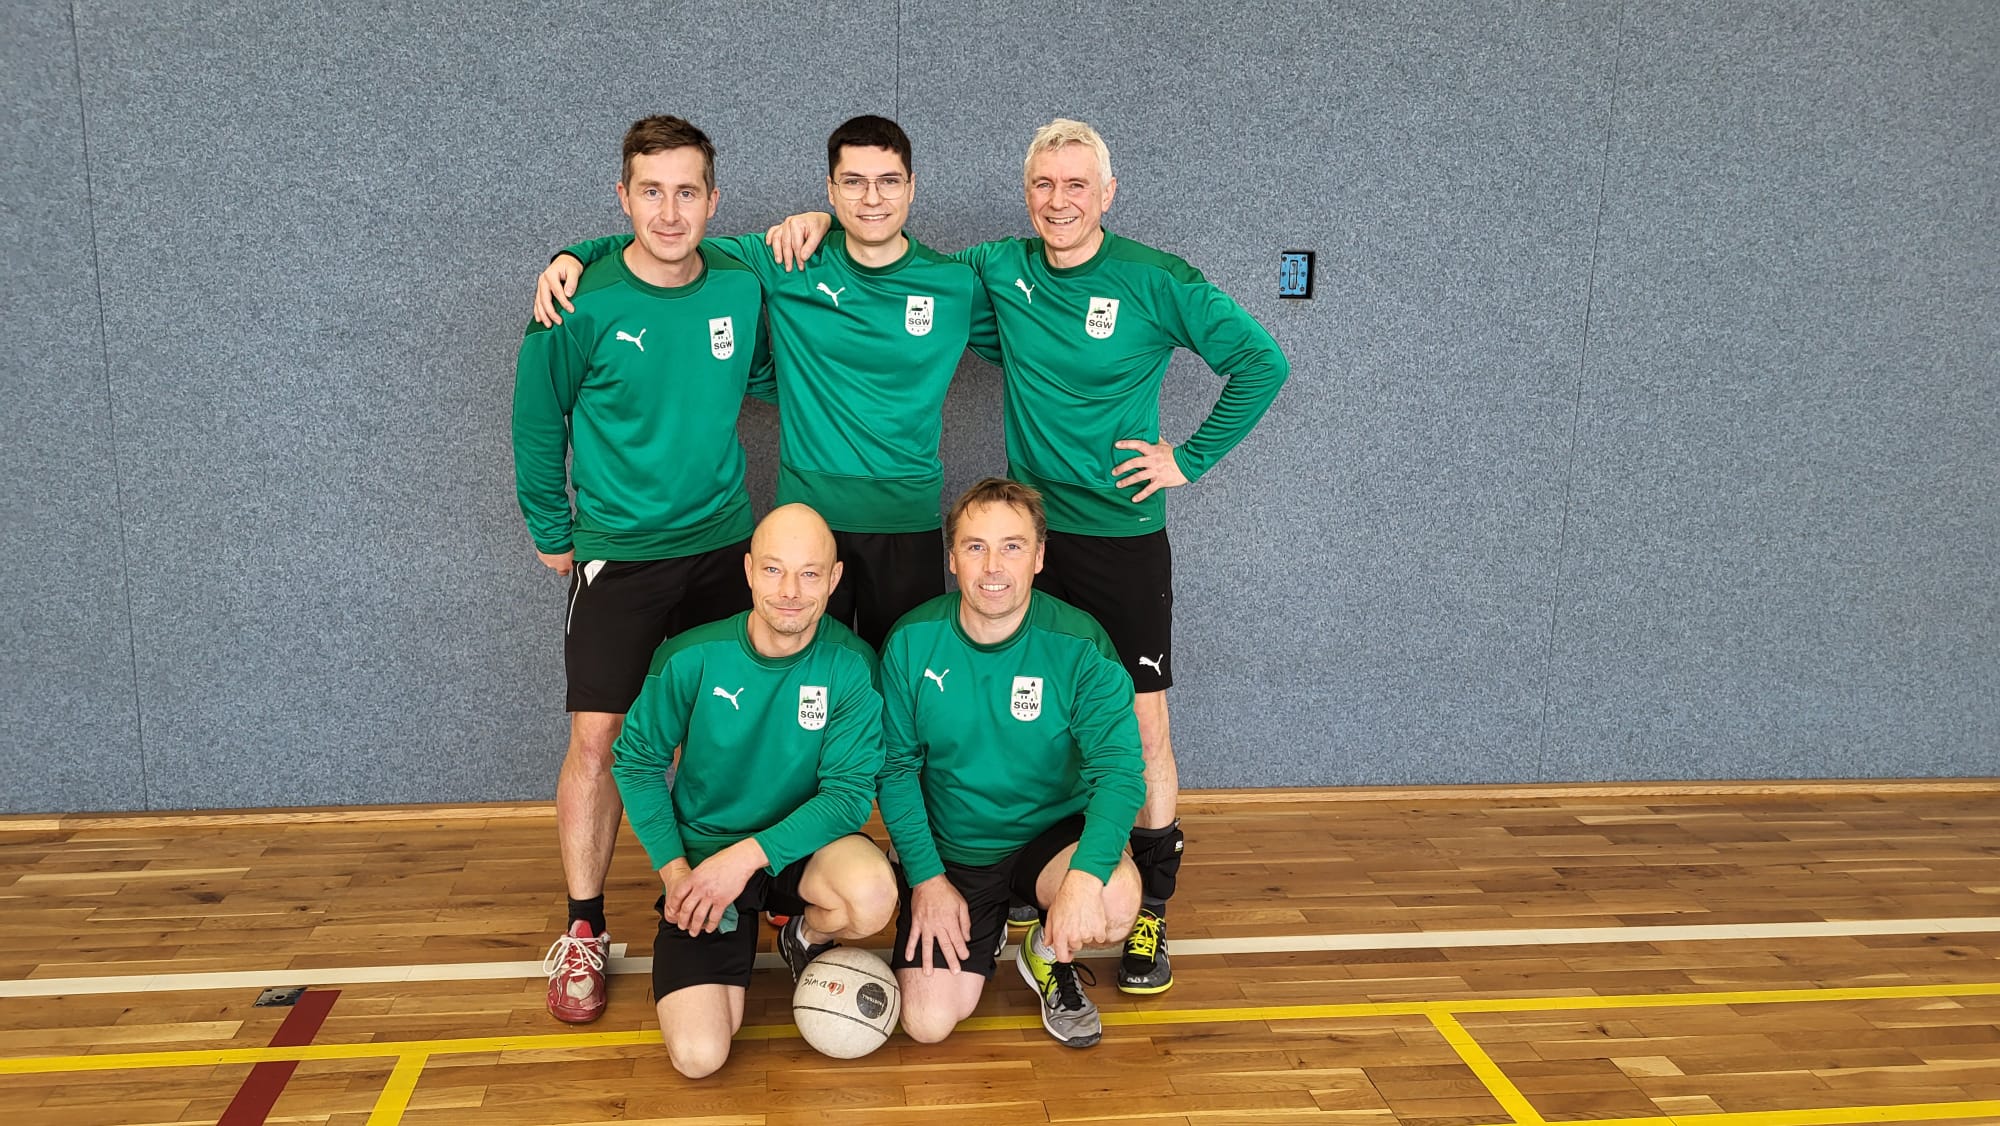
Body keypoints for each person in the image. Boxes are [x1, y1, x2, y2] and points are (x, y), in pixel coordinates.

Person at [771, 119, 1291, 994]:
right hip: (1028, 539)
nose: (1060, 200)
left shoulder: (1156, 278)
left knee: (1143, 728)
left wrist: (1189, 459)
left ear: (1108, 193)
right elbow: (894, 257)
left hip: (1120, 538)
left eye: (1078, 184)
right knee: (989, 709)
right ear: (1026, 194)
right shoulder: (997, 271)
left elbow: (1261, 362)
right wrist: (819, 222)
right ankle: (1005, 878)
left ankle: (1151, 909)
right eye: (1044, 184)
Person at [531, 115, 1000, 648]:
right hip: (805, 523)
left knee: (902, 682)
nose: (872, 198)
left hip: (907, 524)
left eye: (888, 181)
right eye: (853, 182)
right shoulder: (787, 259)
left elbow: (1031, 340)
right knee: (797, 680)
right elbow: (671, 240)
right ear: (830, 190)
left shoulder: (953, 284)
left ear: (912, 187)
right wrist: (576, 255)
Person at [513, 115, 773, 1023]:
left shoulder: (738, 280)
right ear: (621, 198)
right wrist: (553, 529)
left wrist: (817, 217)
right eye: (650, 192)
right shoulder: (575, 303)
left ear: (714, 200)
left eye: (687, 192)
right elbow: (536, 421)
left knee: (722, 736)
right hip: (618, 557)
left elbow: (797, 258)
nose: (669, 212)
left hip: (722, 548)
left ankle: (717, 900)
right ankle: (585, 927)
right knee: (600, 743)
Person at [610, 503, 895, 1078]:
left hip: (801, 848)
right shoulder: (689, 657)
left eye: (809, 573)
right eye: (773, 569)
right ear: (748, 571)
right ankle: (721, 939)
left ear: (834, 579)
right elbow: (636, 763)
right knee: (700, 1057)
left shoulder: (851, 665)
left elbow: (846, 796)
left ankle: (803, 935)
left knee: (871, 895)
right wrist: (677, 873)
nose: (790, 591)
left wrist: (743, 860)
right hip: (705, 857)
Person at [876, 477, 1145, 1049]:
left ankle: (1045, 952)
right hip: (958, 849)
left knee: (1114, 897)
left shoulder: (1079, 644)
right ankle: (984, 917)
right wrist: (926, 879)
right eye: (975, 546)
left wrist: (1081, 883)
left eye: (1012, 546)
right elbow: (895, 770)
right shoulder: (911, 642)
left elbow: (1121, 774)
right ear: (952, 558)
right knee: (927, 1022)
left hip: (1051, 836)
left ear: (1039, 557)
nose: (993, 566)